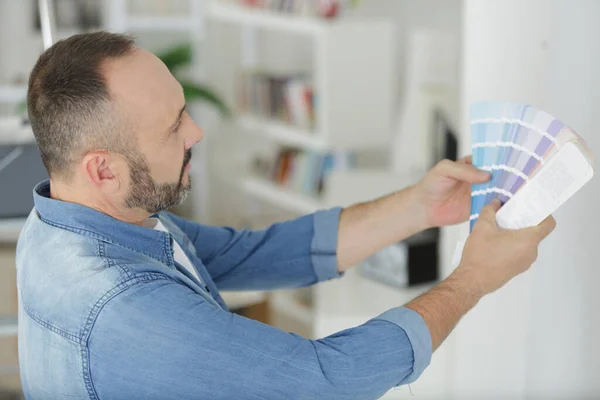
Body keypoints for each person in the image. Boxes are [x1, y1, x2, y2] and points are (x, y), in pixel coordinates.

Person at [16, 32, 555, 400]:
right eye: (174, 125)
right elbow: (328, 379)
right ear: (103, 170)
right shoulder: (126, 312)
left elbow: (251, 253)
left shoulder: (66, 218)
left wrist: (418, 206)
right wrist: (472, 279)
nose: (196, 133)